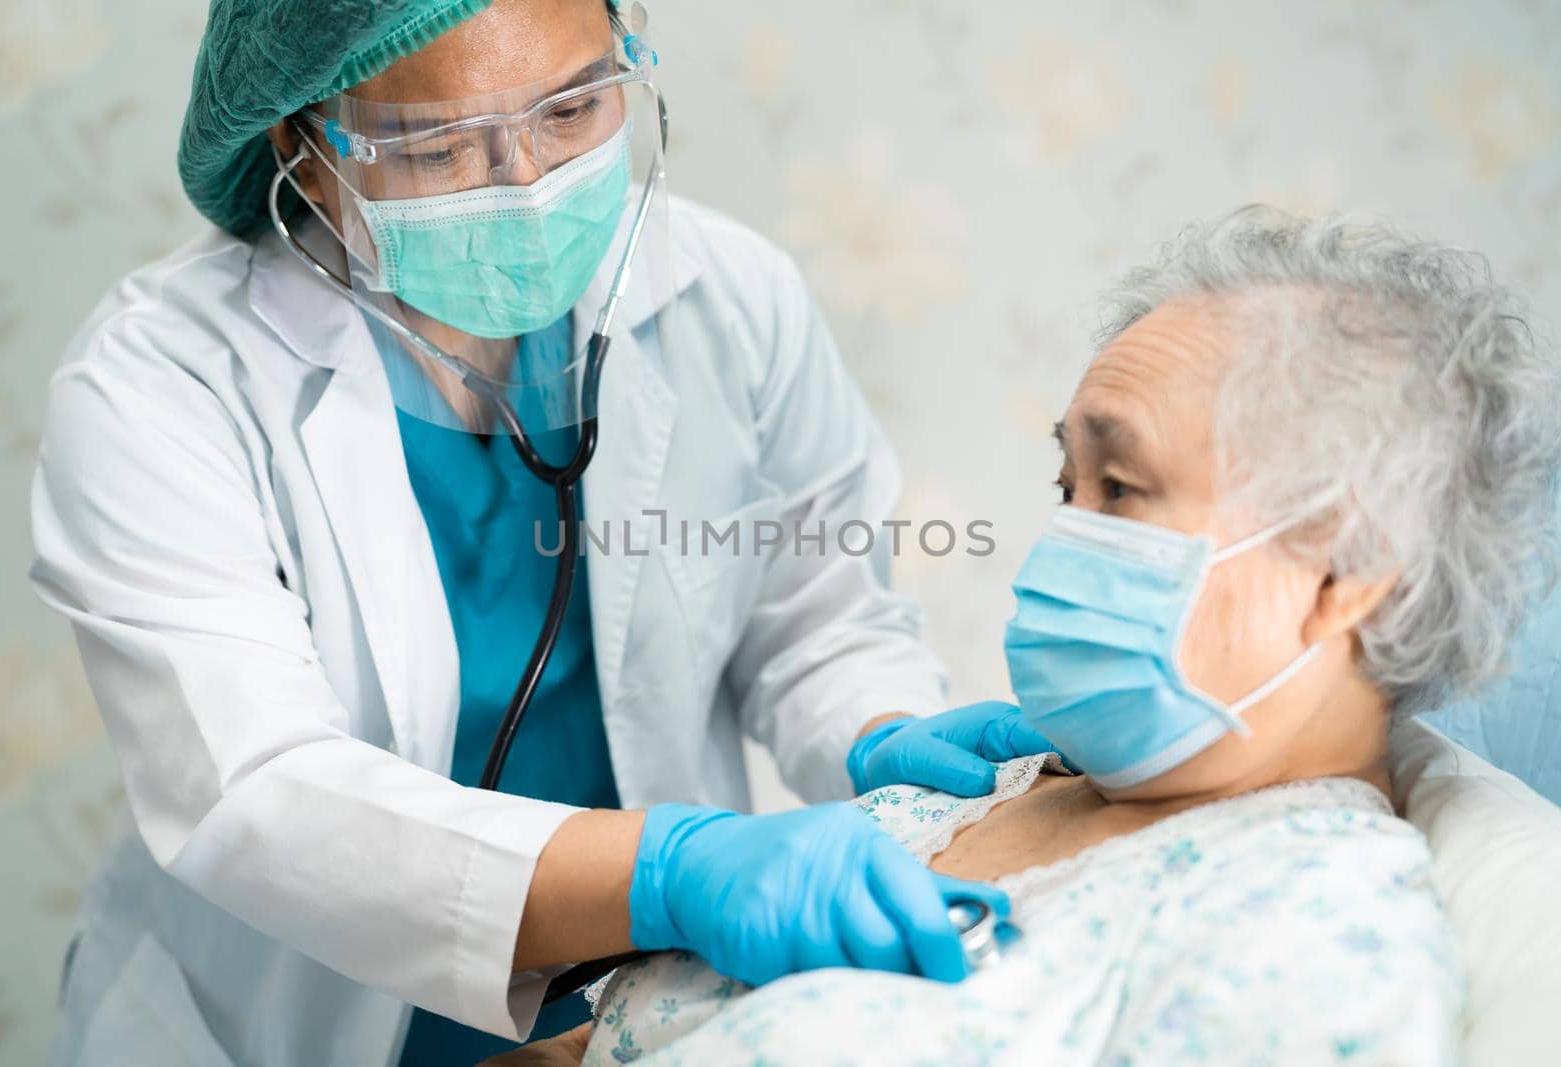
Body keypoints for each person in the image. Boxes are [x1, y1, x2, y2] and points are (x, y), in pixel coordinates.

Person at [28, 1, 1055, 1064]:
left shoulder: (732, 300)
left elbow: (813, 620)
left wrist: (874, 726)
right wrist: (670, 868)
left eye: (571, 107)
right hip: (291, 1022)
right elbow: (258, 789)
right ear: (302, 141)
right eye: (436, 145)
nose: (523, 181)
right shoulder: (163, 384)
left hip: (634, 1008)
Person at [496, 206, 1561, 1066]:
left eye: (1123, 488)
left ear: (1349, 572)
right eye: (1068, 484)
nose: (1063, 540)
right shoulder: (977, 792)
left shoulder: (1313, 938)